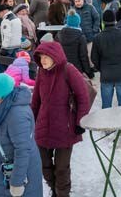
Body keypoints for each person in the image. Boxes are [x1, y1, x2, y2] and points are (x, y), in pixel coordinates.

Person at [31, 41, 92, 197]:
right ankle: (56, 190)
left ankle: (62, 194)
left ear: (55, 56)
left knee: (61, 167)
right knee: (44, 165)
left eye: (46, 56)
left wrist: (80, 121)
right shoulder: (41, 72)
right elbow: (36, 100)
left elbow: (82, 96)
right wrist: (31, 120)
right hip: (44, 125)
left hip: (66, 127)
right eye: (41, 57)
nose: (43, 60)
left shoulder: (68, 70)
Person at [0, 73, 43, 197]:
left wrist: (16, 182)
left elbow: (22, 150)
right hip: (3, 174)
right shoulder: (1, 106)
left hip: (18, 176)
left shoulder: (17, 115)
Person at [91, 10, 121, 108]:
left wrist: (101, 68)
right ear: (115, 20)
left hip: (106, 75)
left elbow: (94, 58)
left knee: (106, 107)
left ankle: (107, 123)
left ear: (103, 21)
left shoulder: (98, 38)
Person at [57, 11, 94, 78]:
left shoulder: (59, 35)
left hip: (62, 69)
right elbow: (83, 56)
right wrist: (88, 72)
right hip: (77, 69)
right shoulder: (80, 36)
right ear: (78, 23)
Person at [0, 4, 24, 74]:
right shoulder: (16, 18)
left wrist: (4, 49)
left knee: (2, 70)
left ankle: (1, 83)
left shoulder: (7, 20)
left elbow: (7, 36)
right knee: (14, 71)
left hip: (9, 49)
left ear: (3, 11)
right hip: (17, 47)